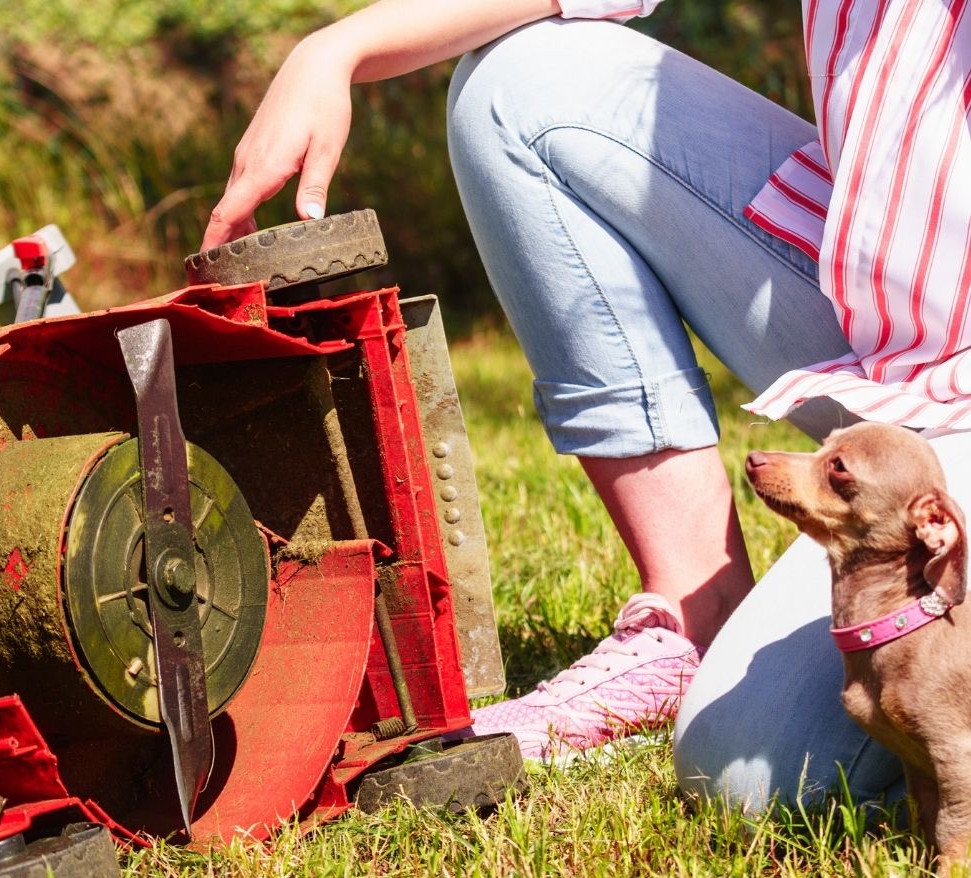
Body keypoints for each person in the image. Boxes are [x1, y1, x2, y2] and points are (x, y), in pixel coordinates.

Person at [202, 0, 971, 813]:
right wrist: (335, 48)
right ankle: (690, 614)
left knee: (755, 779)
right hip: (888, 299)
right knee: (518, 87)